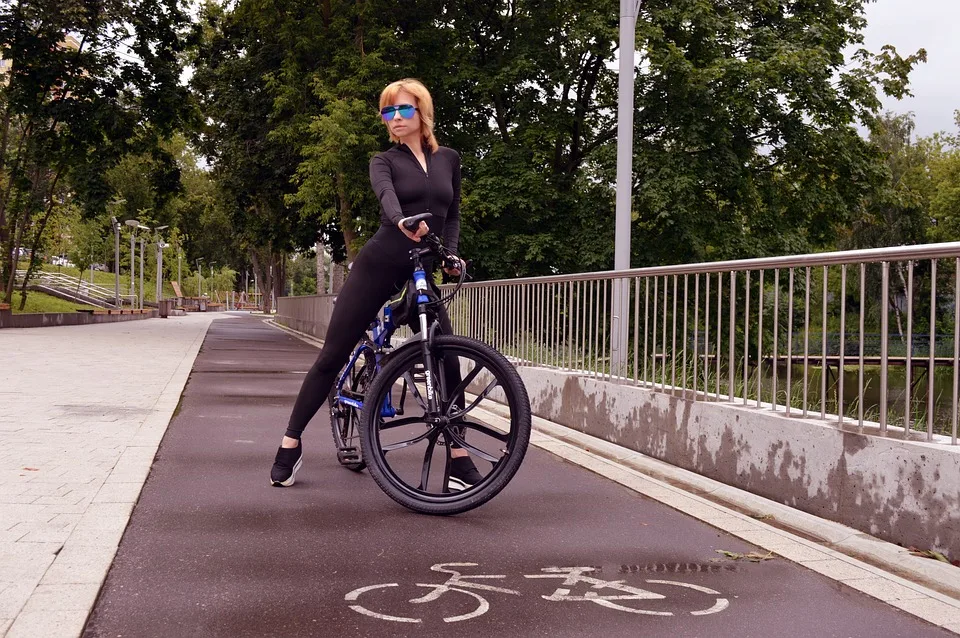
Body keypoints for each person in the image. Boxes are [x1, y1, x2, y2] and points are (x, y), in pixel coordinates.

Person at [270, 78, 482, 490]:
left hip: (424, 262)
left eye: (403, 110)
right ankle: (290, 443)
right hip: (383, 257)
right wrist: (401, 219)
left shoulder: (449, 159)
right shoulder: (383, 160)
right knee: (331, 356)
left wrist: (451, 255)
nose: (395, 119)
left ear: (422, 111)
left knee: (447, 354)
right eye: (388, 112)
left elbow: (451, 212)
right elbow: (386, 195)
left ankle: (458, 456)